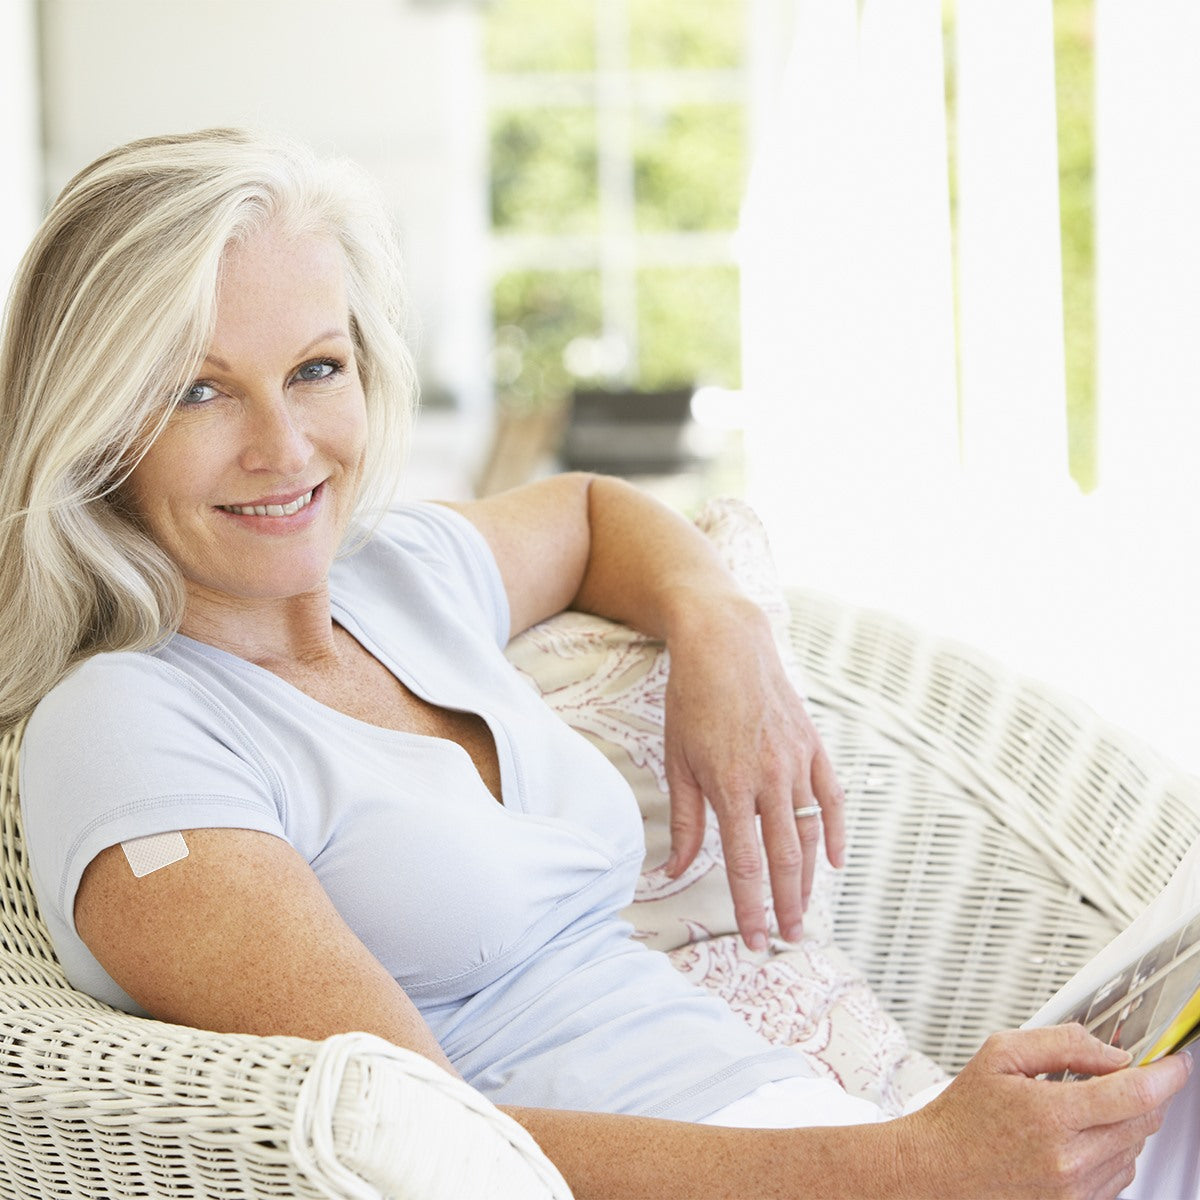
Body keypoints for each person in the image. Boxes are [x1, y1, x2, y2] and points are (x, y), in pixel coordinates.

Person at [0, 126, 1192, 1200]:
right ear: (99, 426)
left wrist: (717, 623)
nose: (286, 447)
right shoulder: (124, 731)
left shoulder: (396, 573)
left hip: (804, 1137)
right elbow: (435, 1155)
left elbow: (585, 512)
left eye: (318, 368)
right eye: (199, 391)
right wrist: (916, 1168)